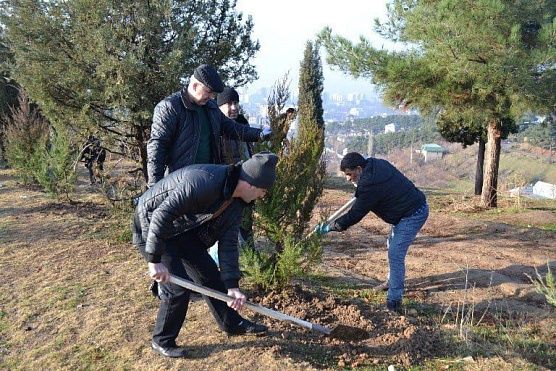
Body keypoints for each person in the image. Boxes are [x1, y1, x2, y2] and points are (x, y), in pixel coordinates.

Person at [132, 152, 279, 358]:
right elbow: (160, 215)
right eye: (263, 191)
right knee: (177, 290)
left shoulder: (238, 202)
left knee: (210, 275)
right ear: (251, 184)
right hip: (151, 226)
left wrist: (232, 286)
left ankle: (231, 322)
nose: (263, 196)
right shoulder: (205, 182)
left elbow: (228, 245)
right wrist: (154, 259)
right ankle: (162, 340)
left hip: (181, 230)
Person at [314, 152, 428, 313]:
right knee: (392, 245)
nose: (347, 178)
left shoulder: (369, 185)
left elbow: (355, 215)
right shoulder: (375, 163)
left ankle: (394, 300)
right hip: (405, 208)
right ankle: (392, 281)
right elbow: (369, 191)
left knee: (395, 253)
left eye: (350, 174)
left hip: (413, 214)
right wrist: (360, 190)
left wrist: (331, 226)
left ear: (359, 169)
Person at [147, 64, 271, 188]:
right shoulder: (170, 107)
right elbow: (157, 147)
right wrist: (155, 188)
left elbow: (232, 128)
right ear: (195, 86)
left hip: (207, 181)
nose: (212, 97)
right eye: (209, 92)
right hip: (179, 183)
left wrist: (260, 134)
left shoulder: (211, 108)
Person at [217, 86, 253, 165]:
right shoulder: (216, 127)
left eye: (235, 103)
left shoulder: (243, 123)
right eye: (229, 104)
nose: (234, 108)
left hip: (246, 172)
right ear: (220, 107)